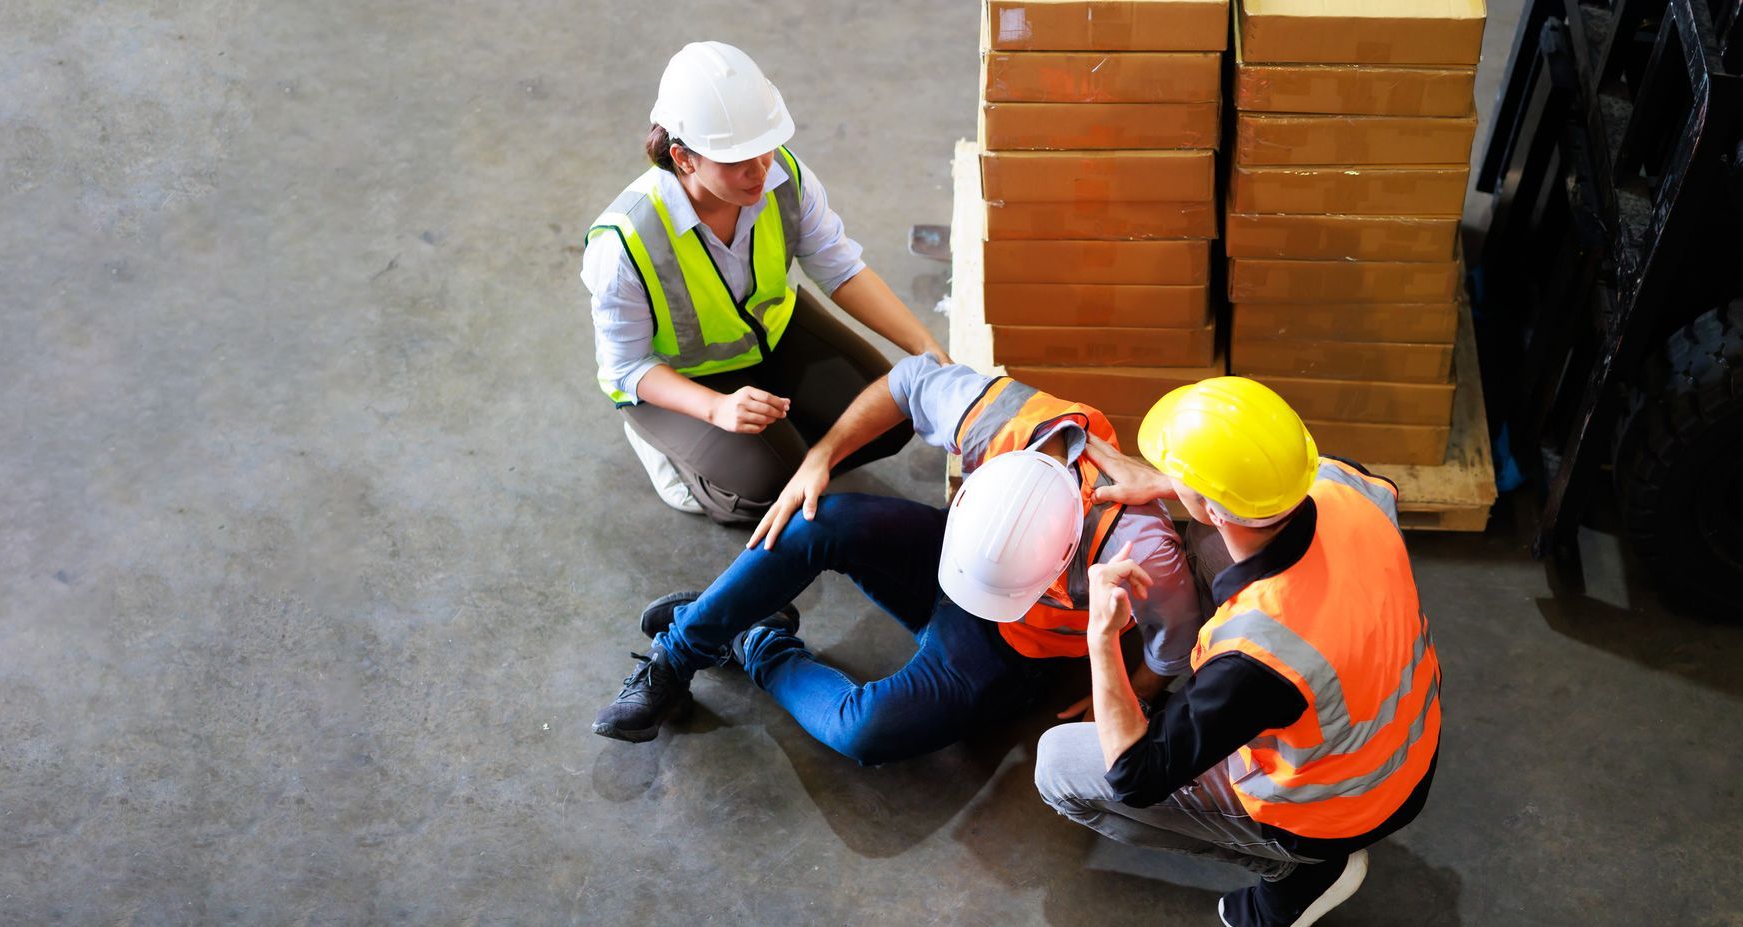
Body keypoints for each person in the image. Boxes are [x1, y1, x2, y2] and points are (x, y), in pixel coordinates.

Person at [590, 353, 1204, 763]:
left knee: (865, 732)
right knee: (818, 519)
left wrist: (1127, 694)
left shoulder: (1142, 549)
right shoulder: (1011, 423)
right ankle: (676, 658)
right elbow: (906, 381)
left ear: (1065, 552)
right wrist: (819, 458)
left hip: (1013, 652)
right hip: (947, 558)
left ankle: (756, 640)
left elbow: (1171, 646)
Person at [1032, 378, 1443, 927]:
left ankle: (1299, 874)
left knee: (1059, 766)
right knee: (1209, 546)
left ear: (1206, 502)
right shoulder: (1345, 482)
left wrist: (1102, 639)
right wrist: (1162, 483)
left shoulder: (1261, 651)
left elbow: (1136, 776)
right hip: (1399, 739)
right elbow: (1252, 512)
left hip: (1338, 805)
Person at [583, 41, 946, 525]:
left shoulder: (785, 179)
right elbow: (625, 368)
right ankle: (670, 454)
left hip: (772, 334)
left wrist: (928, 350)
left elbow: (841, 269)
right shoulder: (625, 242)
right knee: (766, 492)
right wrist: (716, 410)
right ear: (684, 158)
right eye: (735, 161)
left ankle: (784, 440)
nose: (759, 171)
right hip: (685, 377)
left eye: (763, 149)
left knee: (890, 419)